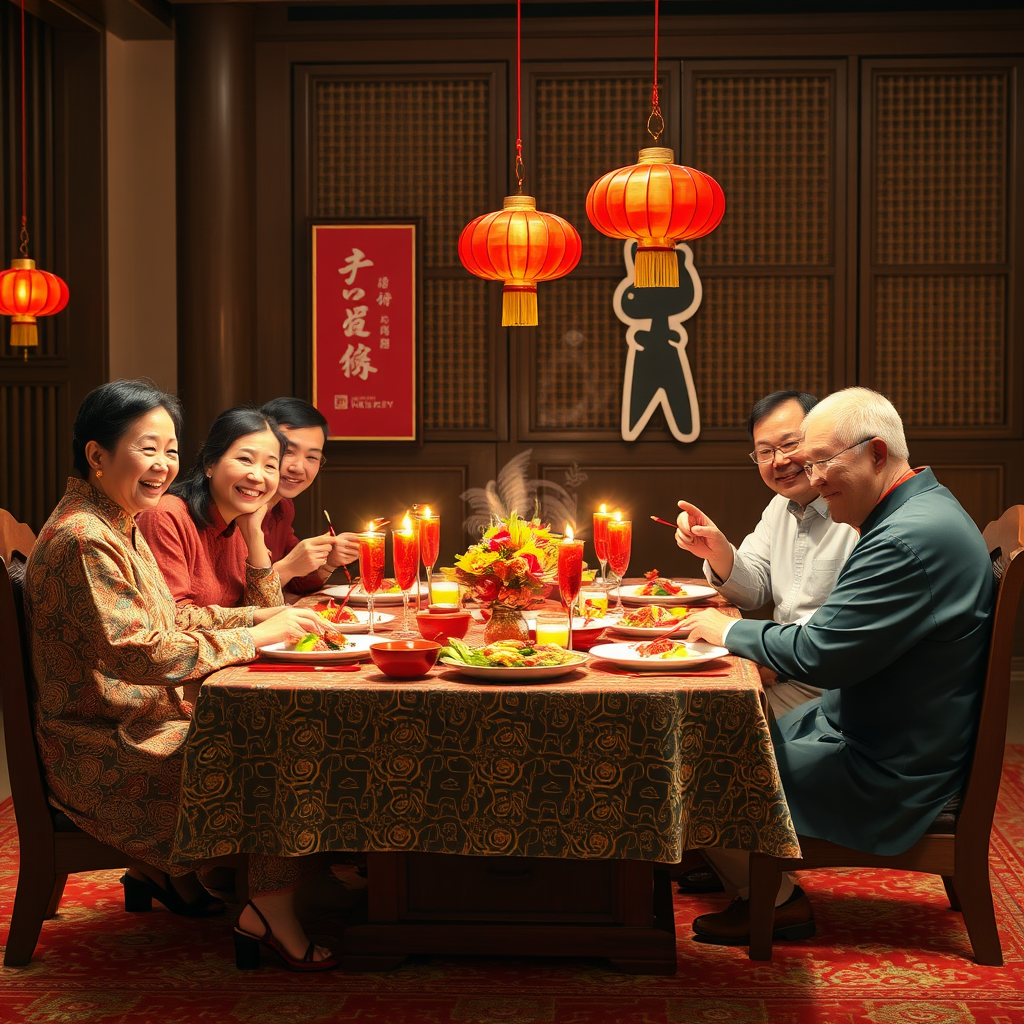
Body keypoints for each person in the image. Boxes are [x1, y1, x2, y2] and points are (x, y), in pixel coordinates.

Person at [24, 379, 340, 970]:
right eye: (148, 449)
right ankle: (273, 911)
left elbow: (173, 616)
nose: (163, 465)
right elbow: (140, 655)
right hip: (107, 749)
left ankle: (278, 896)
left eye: (170, 450)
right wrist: (253, 633)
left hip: (136, 721)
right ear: (97, 456)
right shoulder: (85, 538)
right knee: (289, 750)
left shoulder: (113, 520)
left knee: (294, 733)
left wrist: (262, 615)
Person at [683, 387, 995, 945]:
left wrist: (728, 631)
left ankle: (774, 902)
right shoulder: (919, 508)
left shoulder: (905, 539)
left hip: (890, 768)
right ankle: (734, 854)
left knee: (700, 756)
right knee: (724, 725)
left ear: (876, 454)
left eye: (821, 459)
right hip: (867, 722)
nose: (813, 476)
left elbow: (822, 652)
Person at [674, 390, 858, 718]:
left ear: (819, 440)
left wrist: (771, 659)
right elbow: (754, 589)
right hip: (783, 668)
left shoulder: (853, 510)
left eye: (790, 444)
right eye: (765, 451)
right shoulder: (780, 506)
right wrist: (717, 552)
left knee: (703, 716)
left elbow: (843, 625)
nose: (779, 461)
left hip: (828, 689)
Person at [137, 407, 292, 619]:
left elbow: (272, 617)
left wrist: (255, 537)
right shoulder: (166, 516)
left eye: (270, 466)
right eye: (245, 459)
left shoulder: (240, 526)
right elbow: (173, 617)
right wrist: (252, 618)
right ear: (210, 464)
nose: (257, 476)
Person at [259, 397, 359, 594]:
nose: (298, 468)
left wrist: (330, 560)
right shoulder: (237, 508)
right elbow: (235, 602)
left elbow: (296, 584)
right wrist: (286, 567)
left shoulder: (283, 507)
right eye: (288, 452)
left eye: (312, 457)